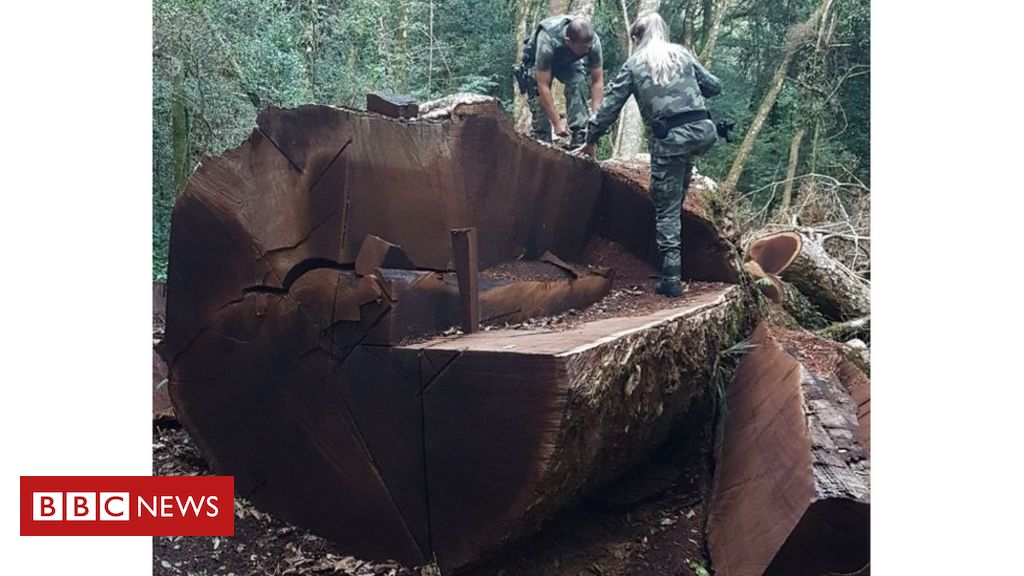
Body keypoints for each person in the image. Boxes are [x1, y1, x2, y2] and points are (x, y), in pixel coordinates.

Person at [574, 12, 721, 297]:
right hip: (702, 133)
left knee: (665, 206)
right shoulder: (682, 54)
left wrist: (590, 139)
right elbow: (714, 86)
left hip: (670, 140)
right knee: (674, 193)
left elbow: (608, 109)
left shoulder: (635, 64)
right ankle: (676, 255)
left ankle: (671, 278)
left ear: (636, 38)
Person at [518, 15, 604, 147]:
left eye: (589, 46)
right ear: (568, 41)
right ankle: (542, 141)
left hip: (569, 62)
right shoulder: (547, 40)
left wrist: (596, 116)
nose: (588, 50)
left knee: (578, 81)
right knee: (538, 99)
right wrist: (557, 123)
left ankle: (580, 135)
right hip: (540, 63)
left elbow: (597, 81)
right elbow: (543, 85)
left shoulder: (592, 42)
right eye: (583, 47)